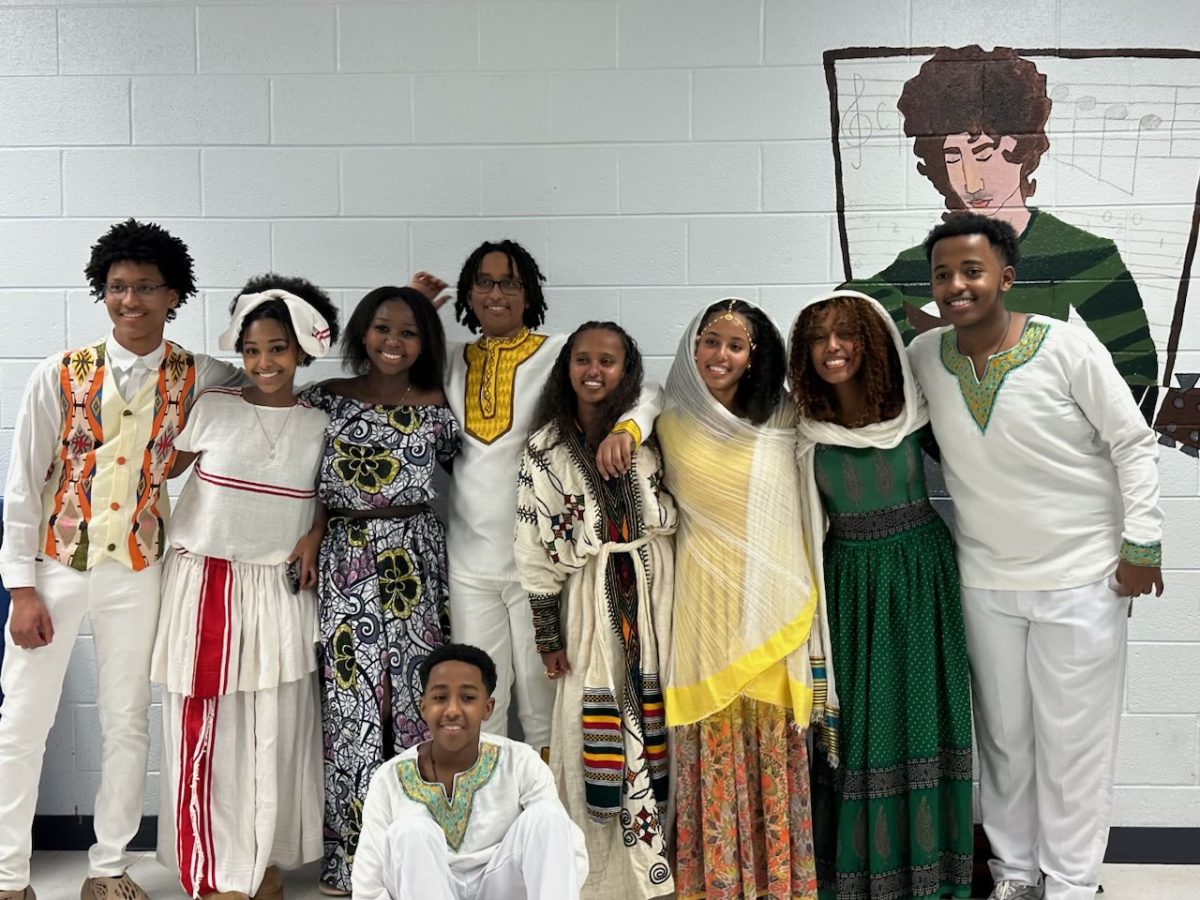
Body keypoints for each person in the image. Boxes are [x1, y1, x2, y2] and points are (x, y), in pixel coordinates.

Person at [908, 213, 1164, 900]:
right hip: (985, 581)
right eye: (943, 274)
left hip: (1082, 579)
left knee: (1073, 746)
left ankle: (1074, 883)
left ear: (1005, 277)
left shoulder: (1065, 348)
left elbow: (1132, 443)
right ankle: (1017, 875)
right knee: (1005, 743)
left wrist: (1142, 543)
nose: (957, 285)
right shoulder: (924, 358)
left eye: (972, 270)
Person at [0, 219, 240, 900]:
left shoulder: (201, 375)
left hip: (139, 571)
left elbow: (268, 370)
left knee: (129, 719)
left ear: (173, 295)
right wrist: (20, 587)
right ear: (102, 292)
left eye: (145, 288)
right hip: (55, 567)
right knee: (22, 719)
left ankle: (107, 869)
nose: (129, 301)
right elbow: (21, 484)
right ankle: (8, 876)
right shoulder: (61, 373)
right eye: (117, 288)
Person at [410, 242, 660, 755]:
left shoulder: (560, 351)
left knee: (545, 706)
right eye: (483, 282)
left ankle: (548, 825)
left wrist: (628, 431)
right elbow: (392, 354)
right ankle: (491, 824)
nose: (495, 293)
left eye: (509, 283)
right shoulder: (452, 359)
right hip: (468, 566)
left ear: (530, 295)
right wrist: (412, 305)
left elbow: (646, 390)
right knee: (483, 703)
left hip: (539, 566)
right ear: (468, 294)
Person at [842, 45, 1158, 417]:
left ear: (1020, 149)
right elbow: (858, 297)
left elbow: (1138, 370)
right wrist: (938, 351)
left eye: (983, 153)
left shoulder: (1083, 253)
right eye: (952, 157)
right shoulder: (941, 257)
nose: (969, 180)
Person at [152, 275, 338, 899]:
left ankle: (265, 860)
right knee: (211, 727)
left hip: (280, 586)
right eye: (253, 349)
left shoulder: (321, 423)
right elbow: (154, 469)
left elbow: (328, 499)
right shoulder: (213, 406)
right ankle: (217, 868)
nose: (264, 362)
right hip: (209, 582)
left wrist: (313, 534)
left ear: (303, 350)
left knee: (276, 725)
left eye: (279, 348)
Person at [789, 290, 973, 900]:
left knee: (925, 715)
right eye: (819, 338)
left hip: (921, 576)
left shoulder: (915, 410)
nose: (833, 348)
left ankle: (934, 875)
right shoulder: (798, 425)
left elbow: (990, 466)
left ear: (871, 341)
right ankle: (864, 877)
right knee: (862, 728)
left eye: (846, 334)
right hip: (849, 585)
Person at [656, 298, 826, 900]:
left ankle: (779, 884)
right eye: (709, 340)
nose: (719, 355)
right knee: (710, 744)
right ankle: (714, 885)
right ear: (693, 345)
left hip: (772, 602)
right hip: (703, 608)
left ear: (755, 356)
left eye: (734, 345)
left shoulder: (784, 418)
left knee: (773, 746)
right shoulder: (667, 421)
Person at [296, 286, 461, 895]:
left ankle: (421, 851)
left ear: (426, 342)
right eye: (383, 329)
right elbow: (296, 477)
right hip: (346, 562)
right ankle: (352, 857)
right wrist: (315, 530)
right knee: (354, 709)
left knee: (419, 703)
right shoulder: (324, 402)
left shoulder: (442, 407)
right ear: (362, 333)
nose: (394, 343)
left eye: (409, 332)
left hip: (418, 560)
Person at [514, 322, 676, 900]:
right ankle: (597, 880)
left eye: (608, 361)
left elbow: (657, 399)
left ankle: (655, 867)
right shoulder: (544, 450)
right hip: (587, 601)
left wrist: (633, 427)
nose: (594, 371)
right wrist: (546, 633)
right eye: (583, 359)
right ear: (566, 368)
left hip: (655, 599)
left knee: (657, 722)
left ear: (625, 369)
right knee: (590, 725)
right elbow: (533, 549)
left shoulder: (651, 432)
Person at [352, 643, 588, 900]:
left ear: (488, 708)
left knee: (548, 815)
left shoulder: (521, 762)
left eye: (467, 698)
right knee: (410, 831)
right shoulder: (389, 778)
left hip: (504, 888)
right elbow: (369, 882)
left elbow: (563, 850)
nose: (452, 710)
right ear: (423, 707)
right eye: (440, 698)